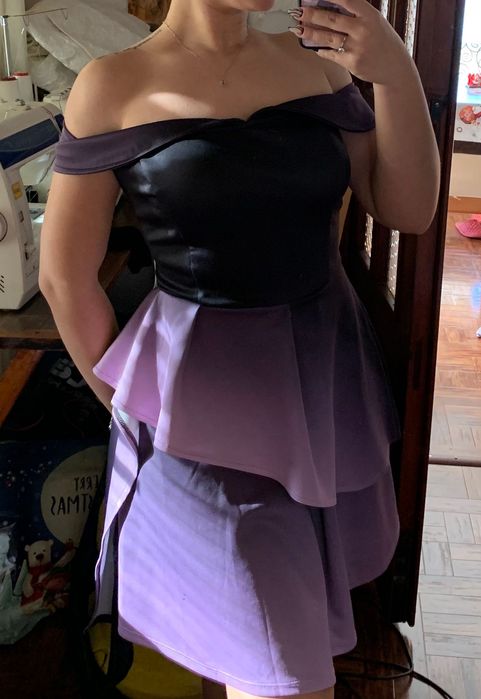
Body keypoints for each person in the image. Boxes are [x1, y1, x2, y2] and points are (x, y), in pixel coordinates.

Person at [39, 1, 440, 698]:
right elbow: (64, 279)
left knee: (255, 651)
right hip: (205, 420)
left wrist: (395, 72)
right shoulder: (113, 84)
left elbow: (407, 207)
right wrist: (138, 410)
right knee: (280, 672)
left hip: (323, 392)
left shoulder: (317, 67)